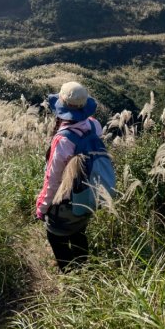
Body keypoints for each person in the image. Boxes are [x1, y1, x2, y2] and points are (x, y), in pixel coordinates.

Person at [36, 81, 103, 272]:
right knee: (79, 229)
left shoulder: (63, 139)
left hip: (64, 200)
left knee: (56, 235)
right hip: (88, 194)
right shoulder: (94, 126)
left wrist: (43, 206)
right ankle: (83, 264)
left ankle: (68, 272)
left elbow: (53, 179)